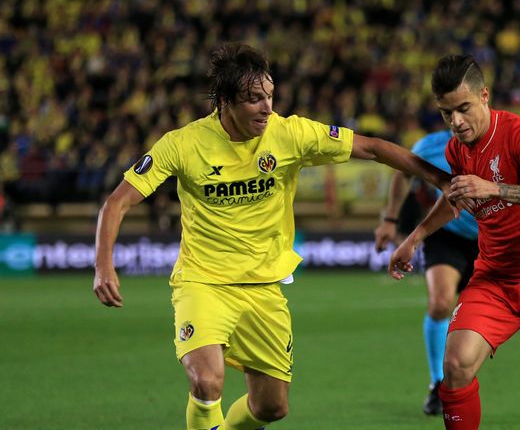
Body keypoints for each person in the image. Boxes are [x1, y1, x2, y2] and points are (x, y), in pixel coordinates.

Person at [92, 43, 456, 430]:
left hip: (264, 287)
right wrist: (103, 266)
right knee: (207, 378)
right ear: (224, 101)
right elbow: (116, 203)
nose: (266, 107)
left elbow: (372, 148)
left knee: (271, 407)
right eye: (253, 99)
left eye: (269, 96)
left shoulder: (290, 133)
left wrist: (439, 178)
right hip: (203, 281)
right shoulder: (183, 144)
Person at [389, 54, 520, 430]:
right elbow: (456, 197)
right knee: (455, 365)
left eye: (462, 108)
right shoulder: (457, 149)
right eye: (445, 113)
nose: (455, 122)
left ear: (484, 96)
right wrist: (415, 237)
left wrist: (495, 187)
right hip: (496, 279)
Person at [374, 129, 478, 416]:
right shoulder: (430, 146)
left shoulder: (500, 140)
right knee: (440, 302)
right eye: (448, 111)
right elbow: (402, 173)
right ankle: (439, 383)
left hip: (495, 238)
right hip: (446, 235)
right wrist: (390, 219)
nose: (456, 118)